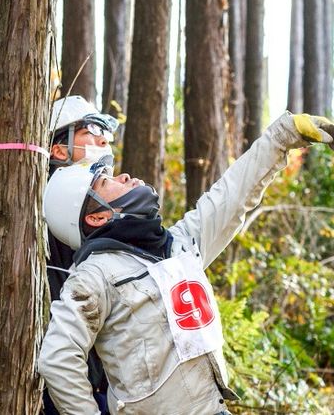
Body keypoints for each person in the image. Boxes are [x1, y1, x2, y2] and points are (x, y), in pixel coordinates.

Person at [38, 111, 334, 414]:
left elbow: (231, 195)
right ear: (97, 217)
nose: (123, 176)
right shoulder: (94, 274)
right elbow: (58, 358)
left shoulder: (175, 246)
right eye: (105, 182)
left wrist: (282, 136)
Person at [44, 96, 119, 414]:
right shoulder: (50, 205)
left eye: (106, 133)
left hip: (104, 374)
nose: (104, 140)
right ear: (60, 150)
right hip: (67, 375)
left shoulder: (105, 205)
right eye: (92, 130)